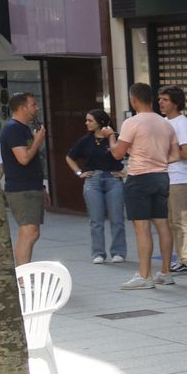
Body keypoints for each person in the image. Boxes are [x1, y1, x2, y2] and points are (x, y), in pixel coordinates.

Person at [112, 83, 179, 290]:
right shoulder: (166, 124)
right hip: (162, 176)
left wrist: (110, 138)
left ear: (133, 100)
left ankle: (144, 275)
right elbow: (176, 155)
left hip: (139, 177)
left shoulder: (132, 122)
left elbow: (117, 153)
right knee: (162, 224)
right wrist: (158, 160)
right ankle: (166, 272)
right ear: (151, 99)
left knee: (141, 228)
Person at [66, 109, 126, 265]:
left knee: (117, 218)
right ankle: (98, 253)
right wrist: (79, 172)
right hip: (93, 180)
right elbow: (70, 157)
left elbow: (132, 153)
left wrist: (126, 171)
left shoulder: (116, 138)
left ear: (101, 122)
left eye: (90, 120)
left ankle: (118, 252)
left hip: (113, 178)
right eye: (87, 120)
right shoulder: (85, 141)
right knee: (96, 220)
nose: (86, 123)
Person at [0, 92, 47, 265]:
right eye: (33, 104)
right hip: (21, 189)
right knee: (29, 232)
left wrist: (41, 188)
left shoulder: (23, 128)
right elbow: (24, 158)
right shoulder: (13, 129)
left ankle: (21, 273)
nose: (37, 108)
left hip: (31, 187)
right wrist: (37, 142)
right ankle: (21, 277)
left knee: (32, 232)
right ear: (22, 107)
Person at [159, 86, 187, 273]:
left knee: (181, 218)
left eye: (165, 100)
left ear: (175, 103)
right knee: (171, 220)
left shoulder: (181, 123)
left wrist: (165, 156)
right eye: (160, 99)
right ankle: (180, 257)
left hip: (179, 176)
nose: (161, 103)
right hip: (168, 176)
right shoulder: (164, 122)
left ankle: (186, 259)